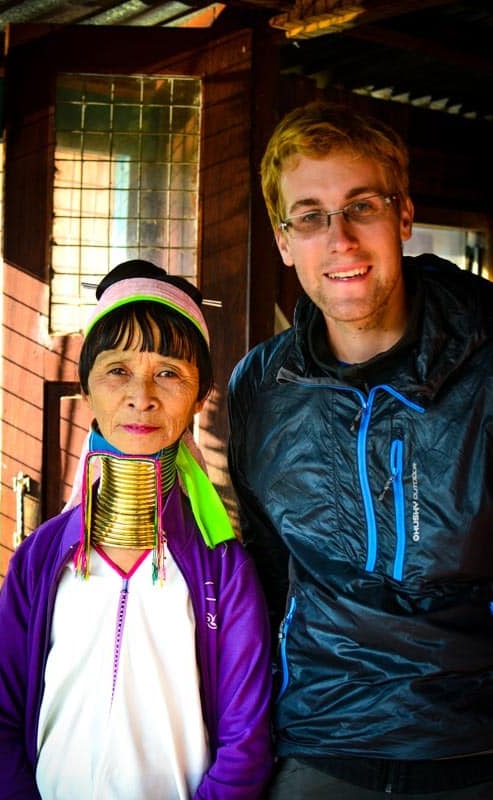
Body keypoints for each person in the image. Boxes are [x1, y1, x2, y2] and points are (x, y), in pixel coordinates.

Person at [227, 101, 493, 798]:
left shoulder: (485, 359)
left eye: (361, 207)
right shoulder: (261, 385)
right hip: (319, 735)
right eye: (309, 216)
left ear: (402, 215)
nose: (337, 238)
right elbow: (268, 568)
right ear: (283, 241)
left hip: (474, 737)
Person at [0, 260, 273, 800]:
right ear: (86, 386)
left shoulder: (222, 571)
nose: (141, 396)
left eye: (168, 373)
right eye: (117, 371)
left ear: (201, 397)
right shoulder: (40, 561)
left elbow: (245, 746)